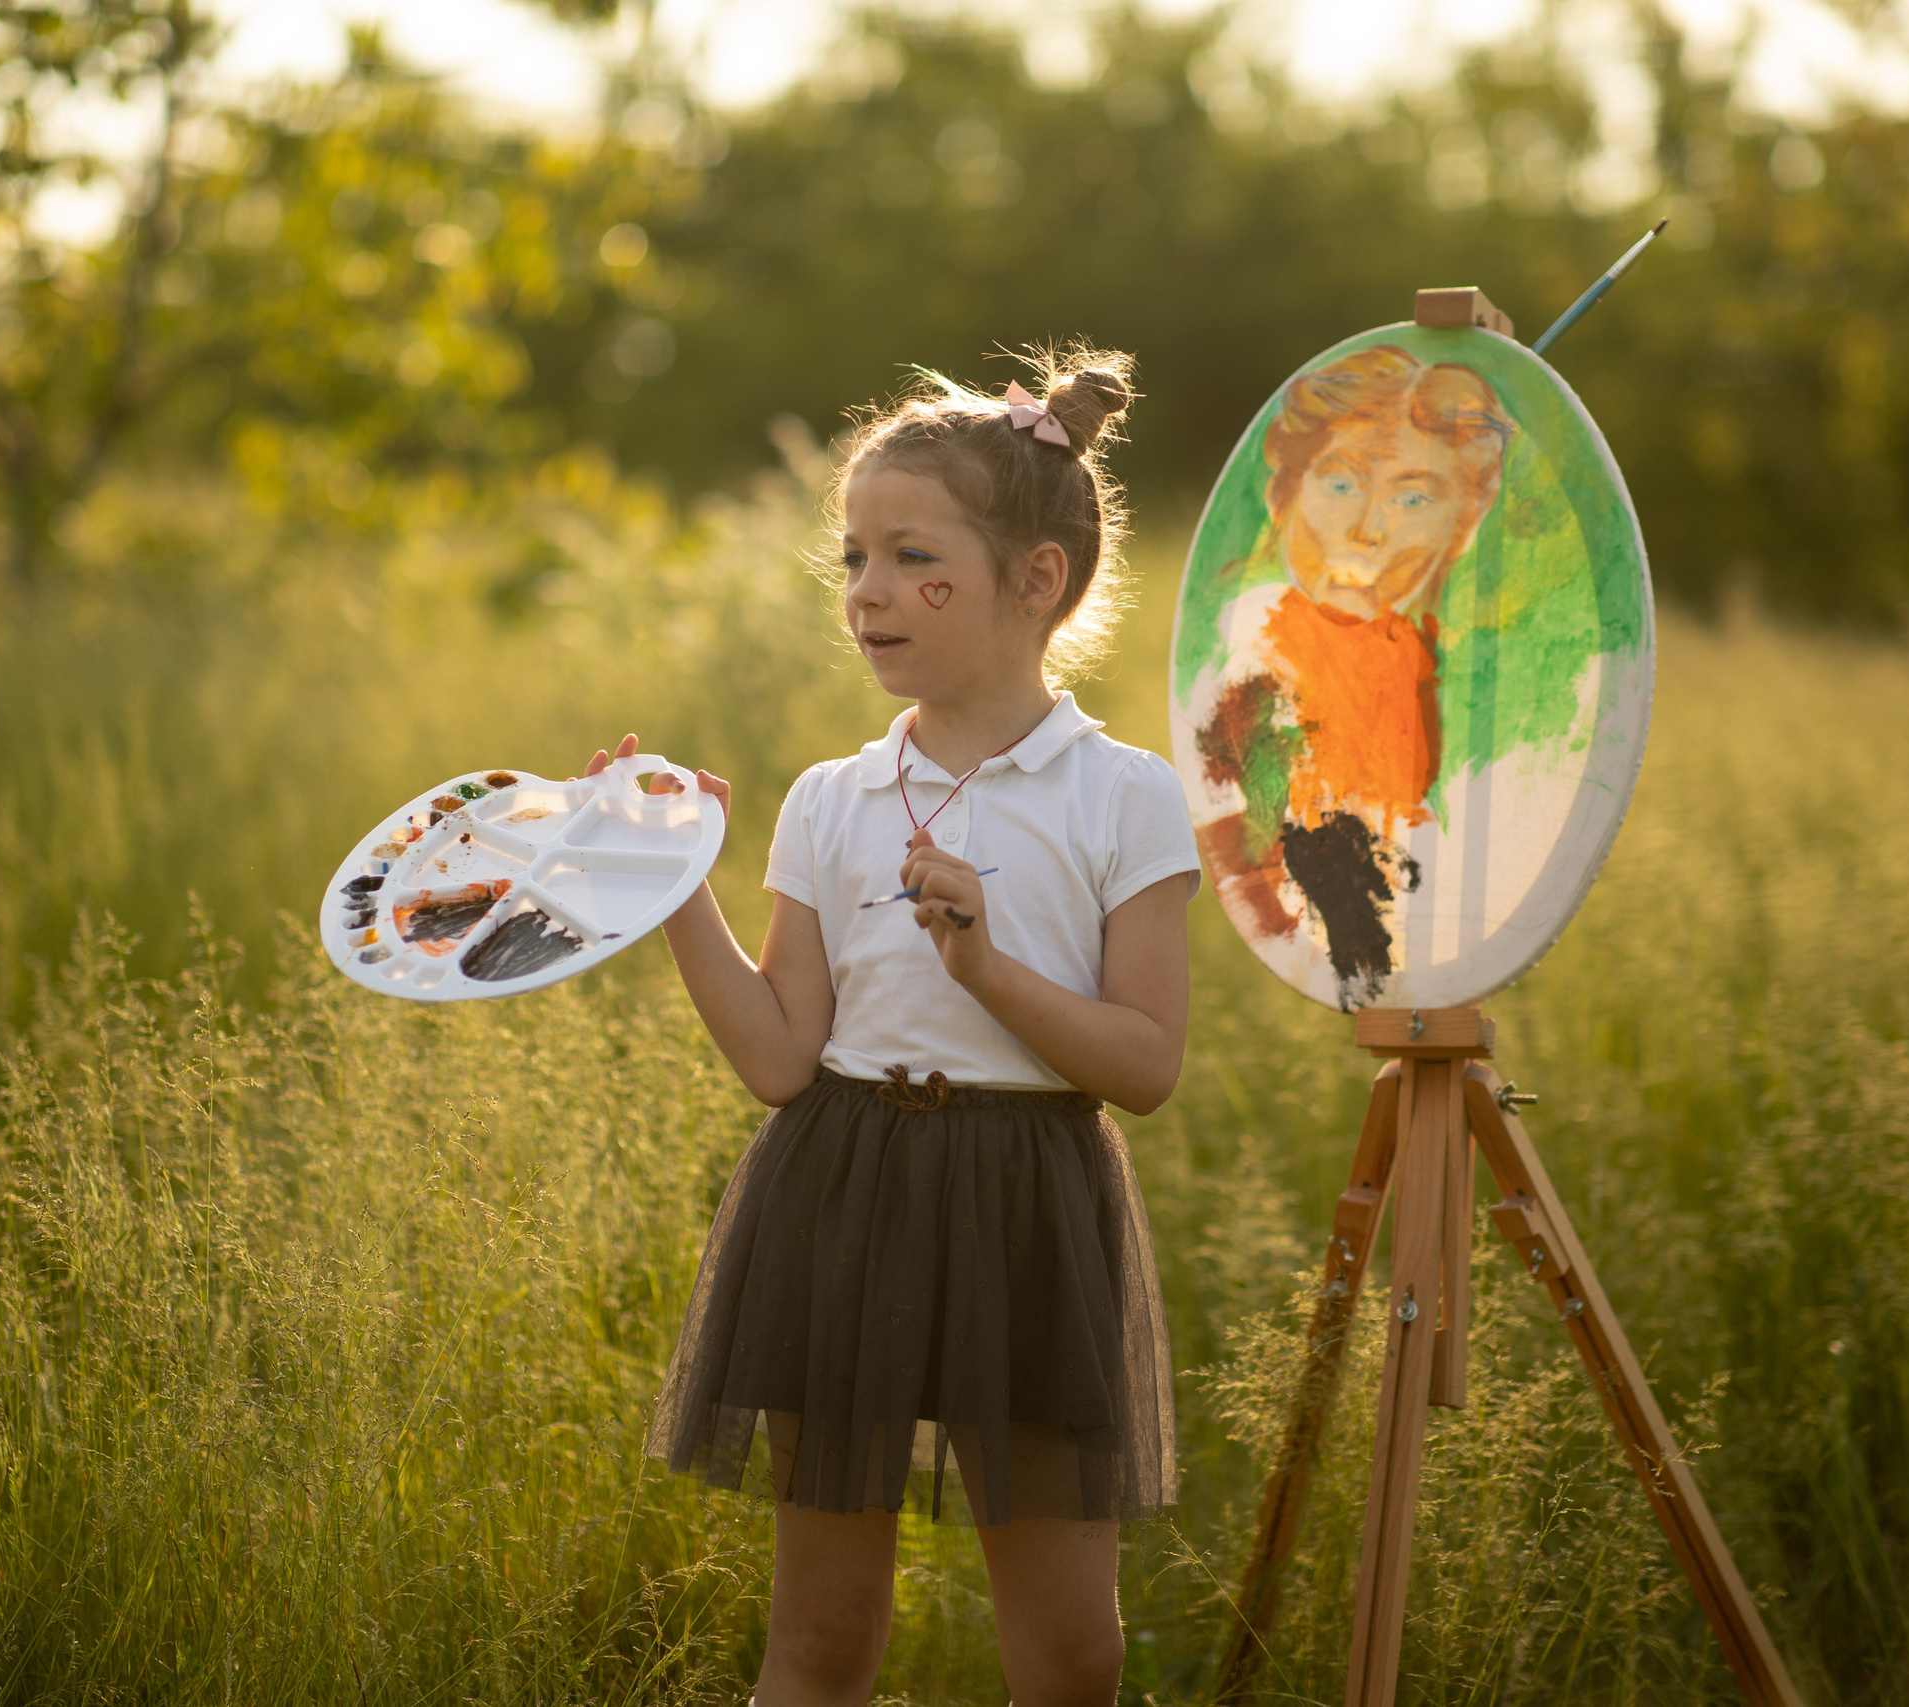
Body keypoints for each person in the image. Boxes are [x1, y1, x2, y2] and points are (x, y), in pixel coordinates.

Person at [593, 350, 1197, 1707]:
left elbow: (1146, 1067)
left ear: (1034, 581)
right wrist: (670, 878)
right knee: (819, 1639)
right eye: (854, 553)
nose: (864, 589)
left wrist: (988, 969)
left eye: (909, 555)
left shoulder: (1125, 796)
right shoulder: (830, 797)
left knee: (1073, 1651)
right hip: (841, 1190)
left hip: (1029, 1201)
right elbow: (777, 1057)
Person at [1190, 345, 1512, 1007]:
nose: (1368, 529)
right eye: (1341, 483)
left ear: (1462, 527)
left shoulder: (1418, 660)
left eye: (1415, 496)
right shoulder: (1251, 652)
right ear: (1284, 492)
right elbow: (1260, 876)